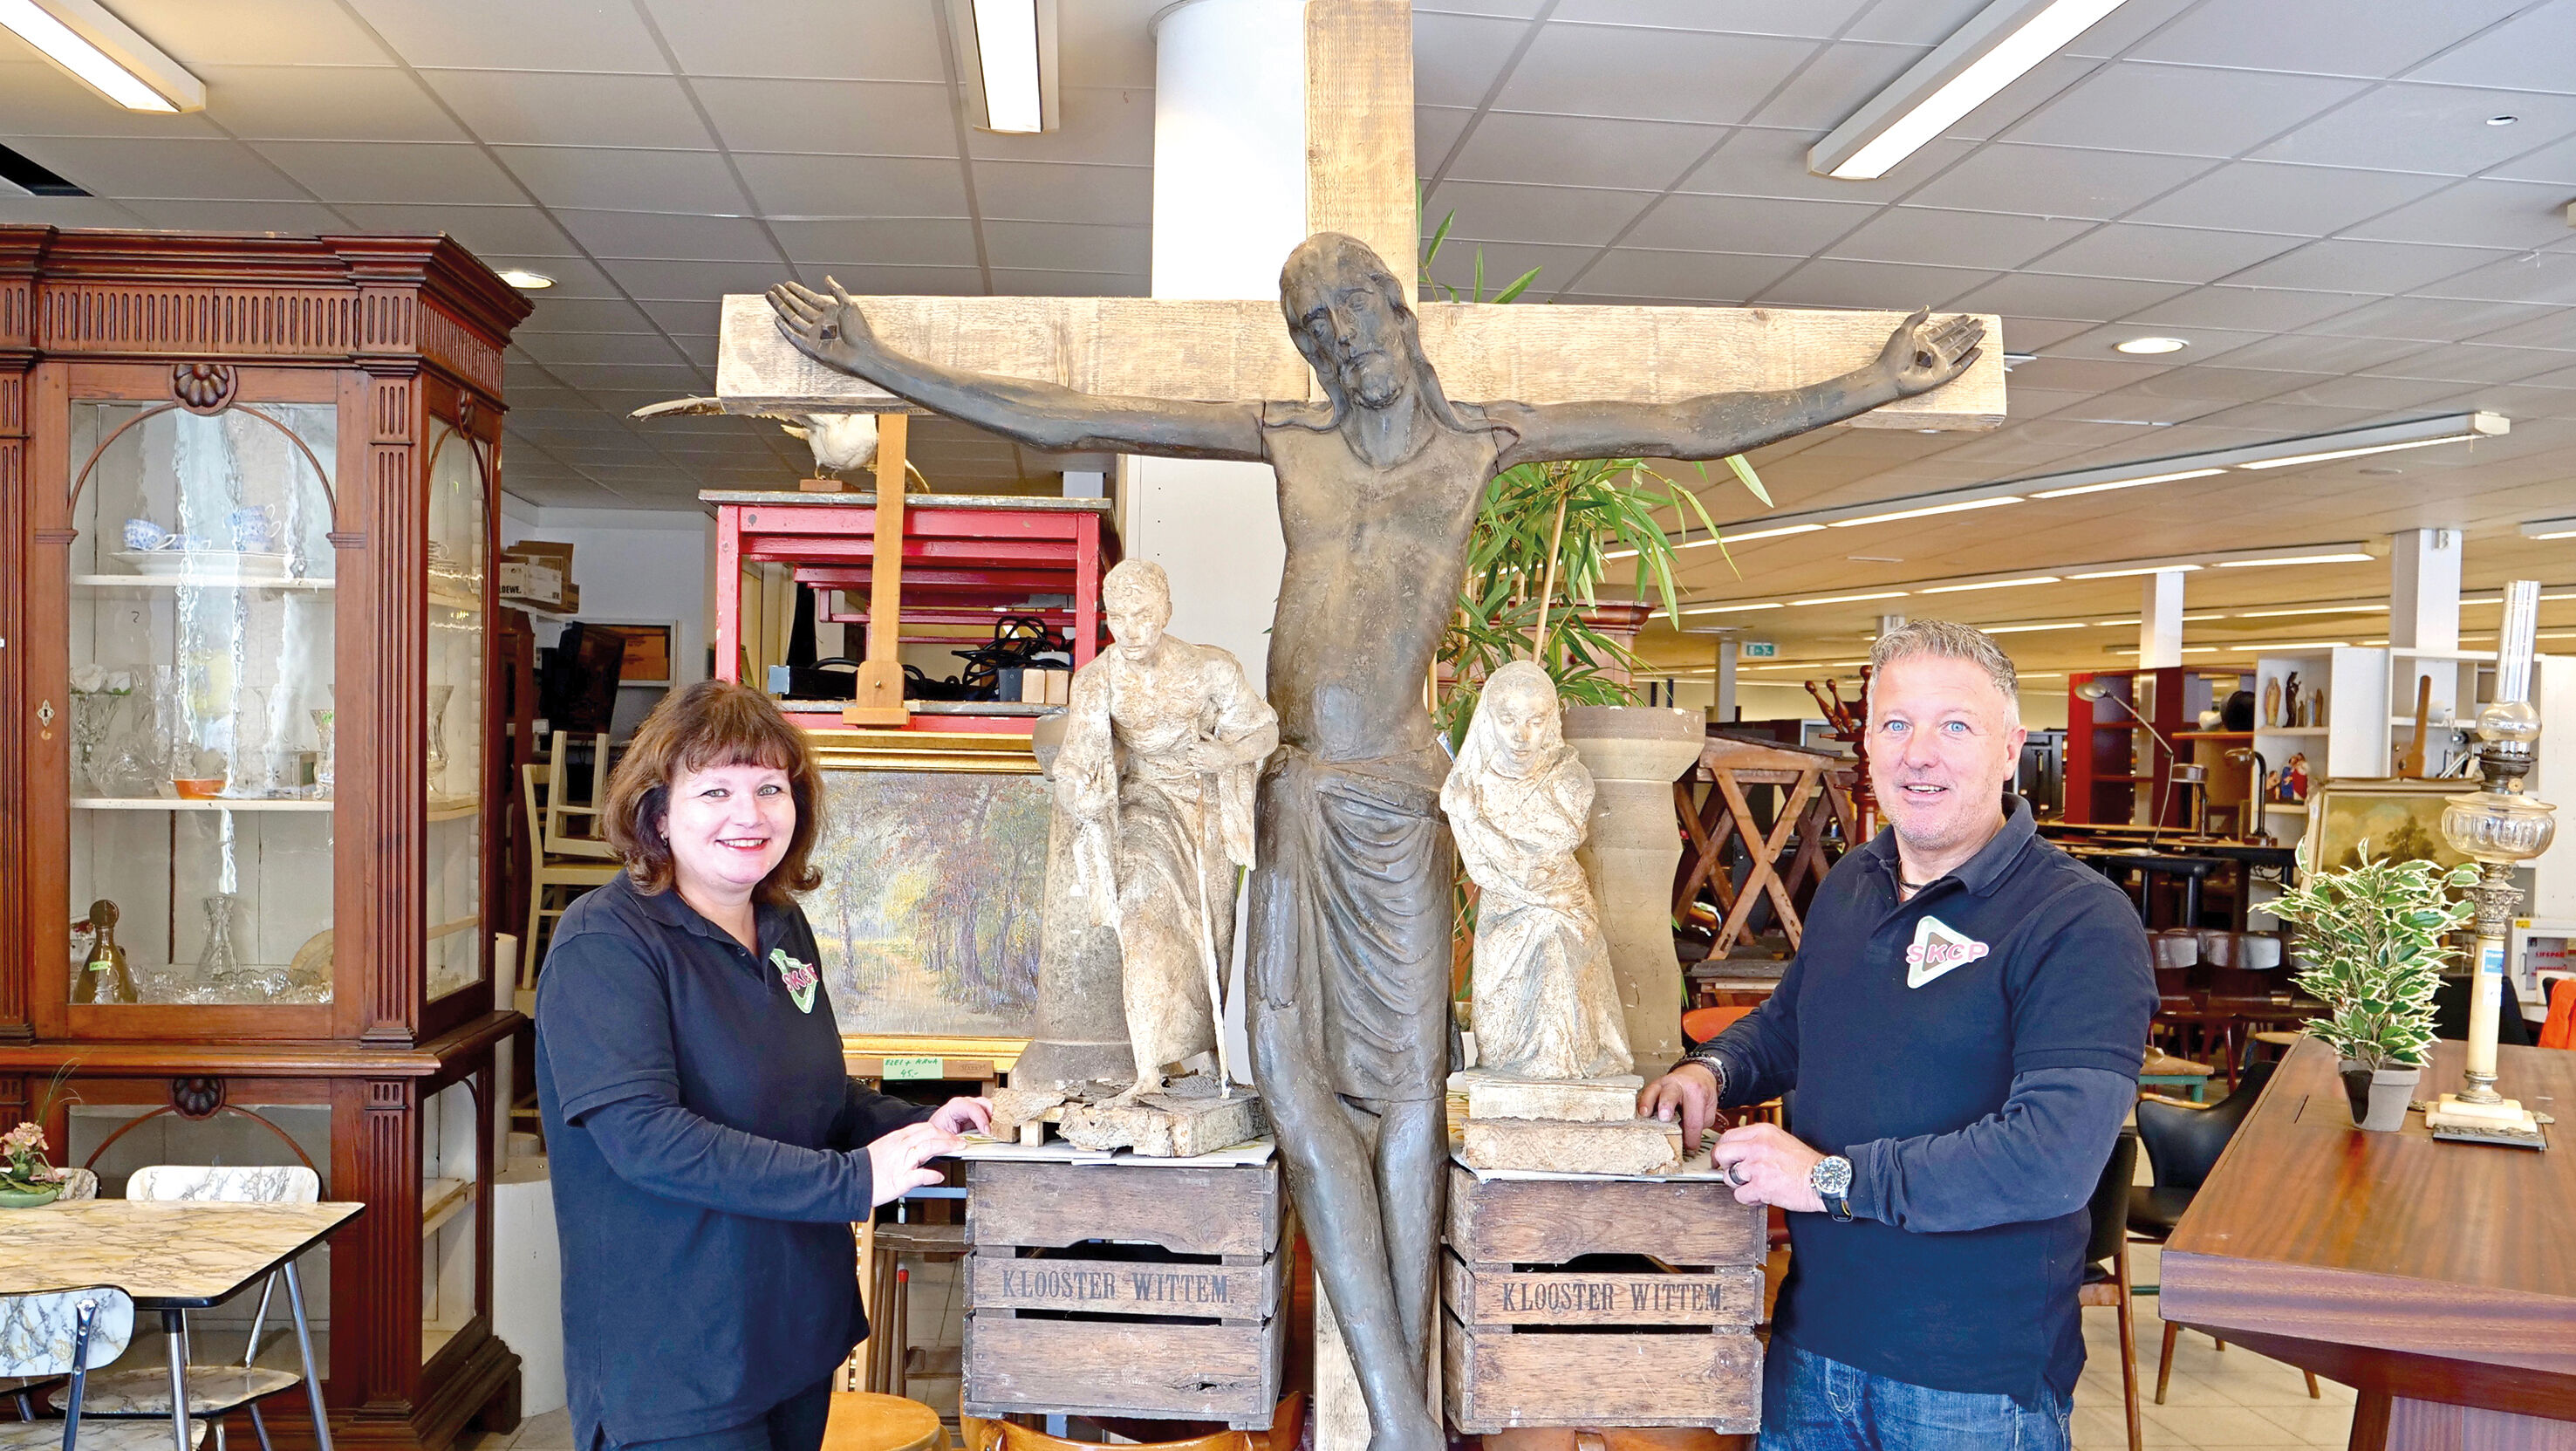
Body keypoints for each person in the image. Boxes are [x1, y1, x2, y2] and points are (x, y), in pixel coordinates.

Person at [769, 236, 1982, 1451]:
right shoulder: (1289, 439)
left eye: (1351, 313)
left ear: (1396, 312)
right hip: (1289, 794)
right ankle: (1405, 1418)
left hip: (1400, 802)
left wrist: (1870, 383)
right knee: (1295, 1087)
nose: (1340, 343)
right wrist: (882, 366)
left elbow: (1682, 422)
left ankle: (1400, 1414)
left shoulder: (1477, 444)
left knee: (1406, 1096)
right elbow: (1077, 406)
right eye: (1314, 328)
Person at [1640, 621, 2155, 1451]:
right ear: (1869, 746)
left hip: (1968, 1387)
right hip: (1811, 1355)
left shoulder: (2078, 921)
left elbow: (2050, 1160)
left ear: (2010, 746)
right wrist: (1712, 1070)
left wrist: (1832, 1179)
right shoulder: (1854, 881)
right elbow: (1789, 1025)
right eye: (1895, 724)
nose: (1921, 753)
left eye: (1955, 725)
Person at [536, 681, 993, 1451]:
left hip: (789, 1339)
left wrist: (923, 1125)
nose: (748, 814)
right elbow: (646, 1138)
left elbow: (810, 1094)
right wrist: (854, 1180)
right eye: (715, 789)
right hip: (679, 1363)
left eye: (769, 788)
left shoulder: (780, 924)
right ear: (657, 811)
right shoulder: (605, 944)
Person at [1056, 558, 1278, 1099]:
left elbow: (1265, 732)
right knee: (1141, 922)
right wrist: (1077, 790)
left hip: (1203, 808)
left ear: (1166, 613)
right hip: (1144, 808)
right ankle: (1149, 1067)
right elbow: (1075, 760)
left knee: (1211, 940)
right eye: (1118, 617)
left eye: (1143, 616)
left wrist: (1225, 753)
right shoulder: (1097, 682)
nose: (1130, 631)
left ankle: (1206, 1060)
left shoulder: (1210, 669)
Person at [1441, 660, 1627, 1080]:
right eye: (1507, 720)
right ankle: (1510, 1061)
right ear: (1489, 719)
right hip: (1502, 913)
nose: (1520, 736)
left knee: (1551, 934)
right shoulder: (1473, 781)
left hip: (1561, 906)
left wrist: (1473, 819)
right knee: (1502, 1023)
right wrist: (1467, 815)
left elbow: (1534, 870)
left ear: (1551, 722)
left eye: (1535, 720)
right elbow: (1482, 868)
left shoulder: (1569, 780)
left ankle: (1557, 1061)